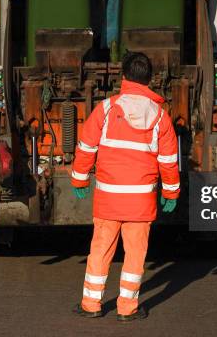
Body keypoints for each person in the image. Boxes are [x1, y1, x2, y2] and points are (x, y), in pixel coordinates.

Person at [70, 52, 180, 321]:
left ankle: (91, 305)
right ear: (150, 79)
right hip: (141, 202)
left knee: (100, 250)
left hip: (108, 198)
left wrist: (79, 178)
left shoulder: (106, 109)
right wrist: (171, 192)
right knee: (135, 256)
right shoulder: (160, 116)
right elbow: (168, 160)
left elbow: (86, 147)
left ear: (124, 77)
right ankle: (127, 309)